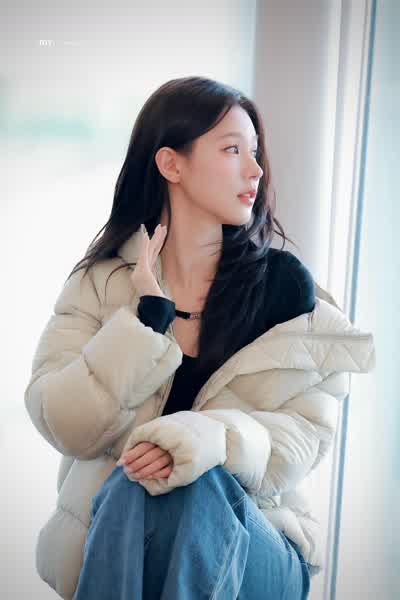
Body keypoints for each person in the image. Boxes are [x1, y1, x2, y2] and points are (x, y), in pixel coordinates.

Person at [24, 76, 376, 600]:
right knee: (131, 485)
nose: (255, 170)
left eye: (254, 151)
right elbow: (66, 424)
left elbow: (300, 441)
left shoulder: (285, 292)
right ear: (172, 165)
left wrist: (203, 441)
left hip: (258, 543)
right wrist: (144, 323)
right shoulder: (101, 285)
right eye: (233, 150)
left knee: (190, 485)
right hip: (128, 536)